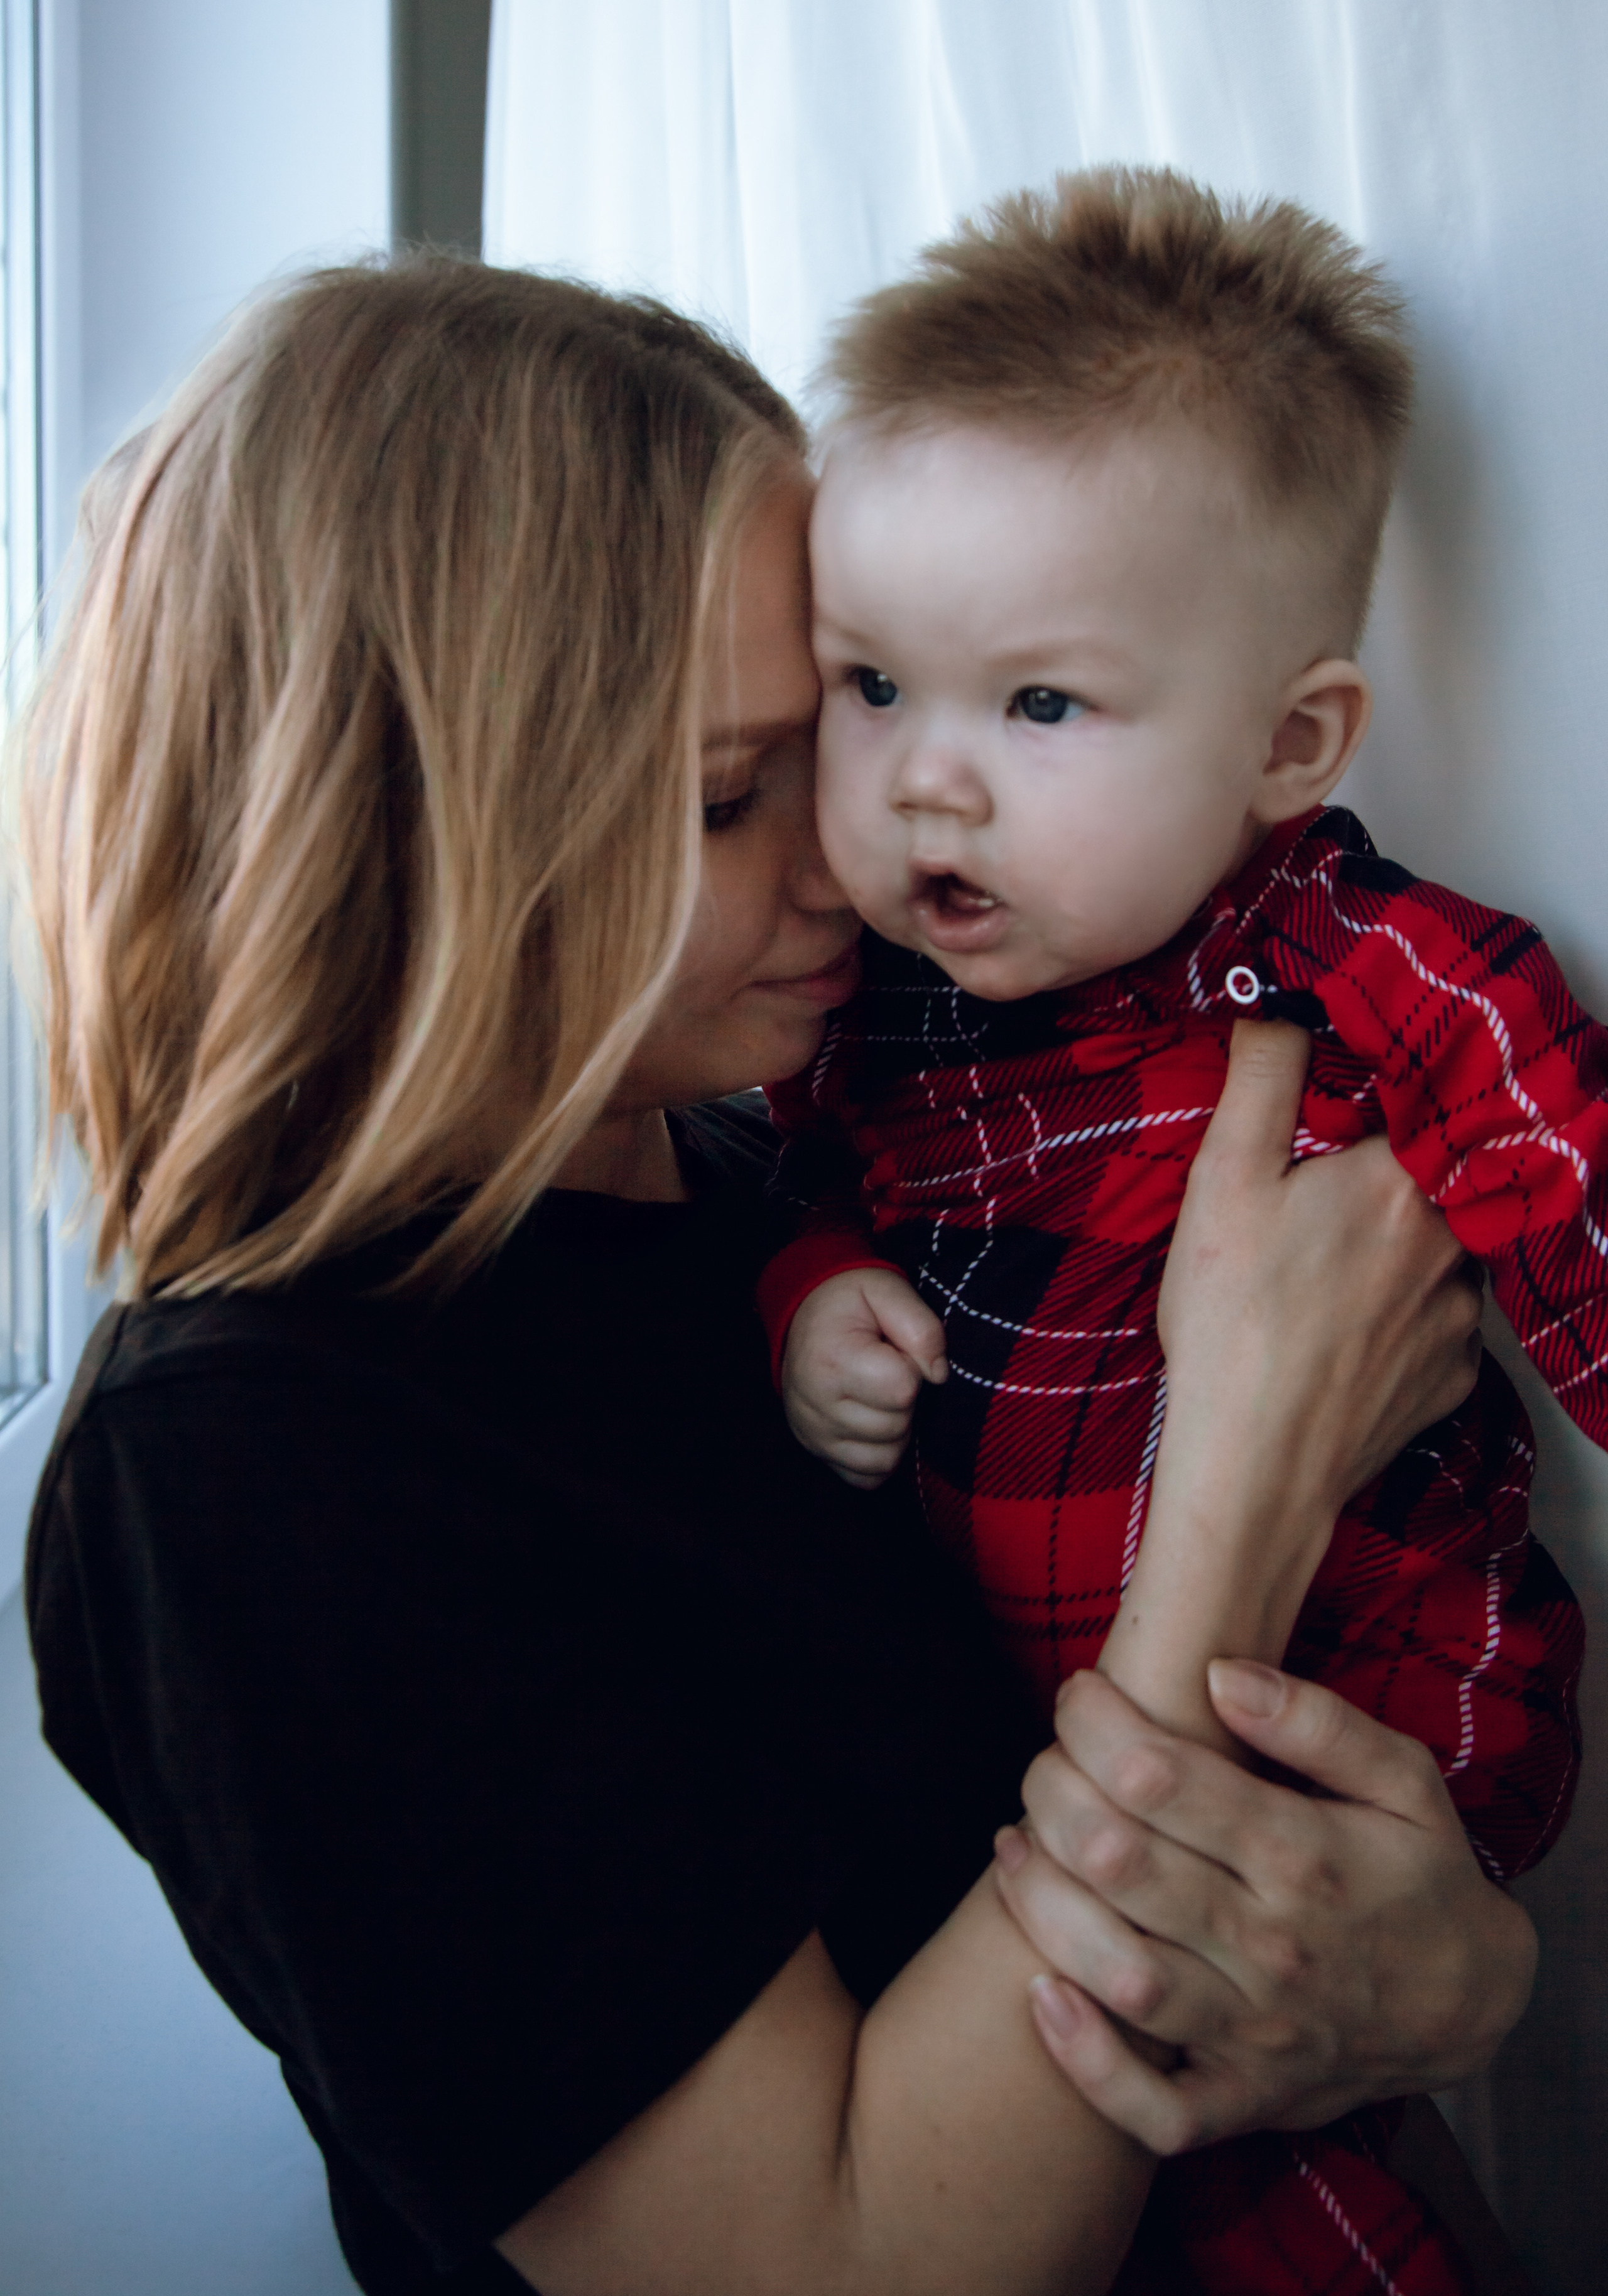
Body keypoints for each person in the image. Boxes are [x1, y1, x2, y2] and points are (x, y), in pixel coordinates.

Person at [18, 255, 1525, 2296]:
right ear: (430, 828)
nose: (853, 854)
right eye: (733, 796)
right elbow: (849, 2266)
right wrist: (1244, 1463)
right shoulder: (252, 1466)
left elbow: (1347, 1940)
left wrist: (1453, 1975)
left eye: (834, 725)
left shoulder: (793, 1167)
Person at [768, 167, 1589, 2290]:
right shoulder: (858, 1002)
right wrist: (813, 1295)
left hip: (1348, 1707)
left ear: (1286, 746)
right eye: (871, 686)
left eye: (1038, 707)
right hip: (1006, 1750)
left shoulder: (1335, 956)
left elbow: (1548, 1155)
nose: (927, 784)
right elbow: (771, 1195)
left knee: (1267, 2173)